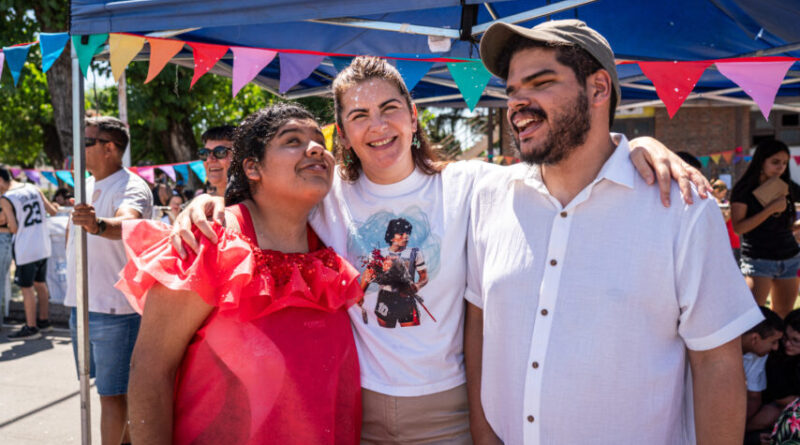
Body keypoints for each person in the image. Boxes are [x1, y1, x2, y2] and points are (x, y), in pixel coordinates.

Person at [171, 57, 709, 443]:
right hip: (355, 409)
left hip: (449, 413)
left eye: (389, 108)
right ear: (344, 133)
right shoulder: (324, 198)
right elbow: (264, 205)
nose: (378, 125)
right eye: (359, 116)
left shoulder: (472, 184)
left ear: (413, 115)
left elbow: (566, 166)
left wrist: (635, 145)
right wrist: (209, 203)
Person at [466, 19, 761, 444]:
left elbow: (716, 363)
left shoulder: (683, 208)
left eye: (541, 82)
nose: (517, 103)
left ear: (599, 89)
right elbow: (479, 328)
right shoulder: (488, 199)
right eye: (512, 91)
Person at [119, 104, 362, 445]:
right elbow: (150, 371)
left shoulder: (334, 250)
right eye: (292, 140)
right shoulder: (208, 241)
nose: (315, 148)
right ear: (252, 167)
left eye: (319, 141)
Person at [65, 116, 153, 445]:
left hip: (115, 310)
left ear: (110, 148)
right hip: (82, 305)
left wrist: (97, 225)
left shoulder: (131, 186)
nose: (79, 149)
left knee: (112, 396)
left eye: (86, 142)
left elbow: (129, 224)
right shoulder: (86, 184)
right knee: (103, 390)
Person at [732, 139, 800, 318]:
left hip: (789, 257)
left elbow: (783, 225)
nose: (780, 167)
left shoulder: (787, 186)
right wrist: (770, 209)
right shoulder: (744, 190)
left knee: (784, 317)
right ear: (761, 161)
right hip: (758, 259)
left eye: (784, 163)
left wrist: (795, 226)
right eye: (775, 162)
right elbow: (738, 228)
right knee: (753, 317)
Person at [0, 166, 59, 339]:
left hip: (25, 247)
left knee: (26, 288)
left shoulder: (6, 198)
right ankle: (44, 322)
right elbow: (52, 211)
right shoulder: (33, 187)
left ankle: (31, 327)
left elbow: (14, 228)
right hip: (42, 244)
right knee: (40, 284)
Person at [751, 309, 800, 441]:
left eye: (795, 340)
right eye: (785, 337)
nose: (787, 344)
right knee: (775, 410)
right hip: (770, 404)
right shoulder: (776, 352)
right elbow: (781, 398)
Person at [742, 307, 784, 445]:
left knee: (772, 412)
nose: (776, 348)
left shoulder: (758, 354)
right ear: (754, 339)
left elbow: (754, 398)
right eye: (773, 342)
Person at [200, 125, 236, 197]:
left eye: (220, 152)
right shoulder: (199, 202)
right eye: (205, 153)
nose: (209, 159)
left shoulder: (257, 202)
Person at [712, 178, 741, 262]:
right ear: (716, 192)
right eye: (723, 193)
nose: (724, 195)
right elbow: (723, 220)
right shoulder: (714, 203)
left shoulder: (725, 202)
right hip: (726, 242)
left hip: (733, 240)